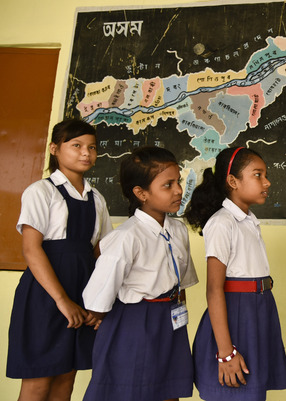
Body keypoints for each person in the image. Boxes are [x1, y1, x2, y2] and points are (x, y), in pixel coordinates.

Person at [6, 119, 112, 401]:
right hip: (45, 296)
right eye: (76, 145)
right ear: (54, 148)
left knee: (66, 379)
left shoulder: (97, 199)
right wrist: (62, 300)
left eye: (91, 147)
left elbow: (99, 253)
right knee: (39, 382)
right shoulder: (41, 192)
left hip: (82, 294)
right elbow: (31, 249)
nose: (85, 153)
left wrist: (97, 304)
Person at [82, 146, 198, 401]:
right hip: (134, 324)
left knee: (169, 391)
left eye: (178, 181)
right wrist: (102, 316)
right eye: (168, 185)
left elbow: (182, 285)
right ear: (141, 193)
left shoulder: (178, 231)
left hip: (171, 321)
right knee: (134, 391)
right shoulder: (125, 237)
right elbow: (96, 299)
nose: (179, 190)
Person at [185, 146, 286, 400]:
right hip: (236, 317)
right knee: (235, 392)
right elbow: (214, 289)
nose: (266, 182)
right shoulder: (223, 223)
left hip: (258, 312)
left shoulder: (248, 220)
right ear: (232, 181)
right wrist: (226, 352)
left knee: (252, 393)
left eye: (265, 175)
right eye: (257, 175)